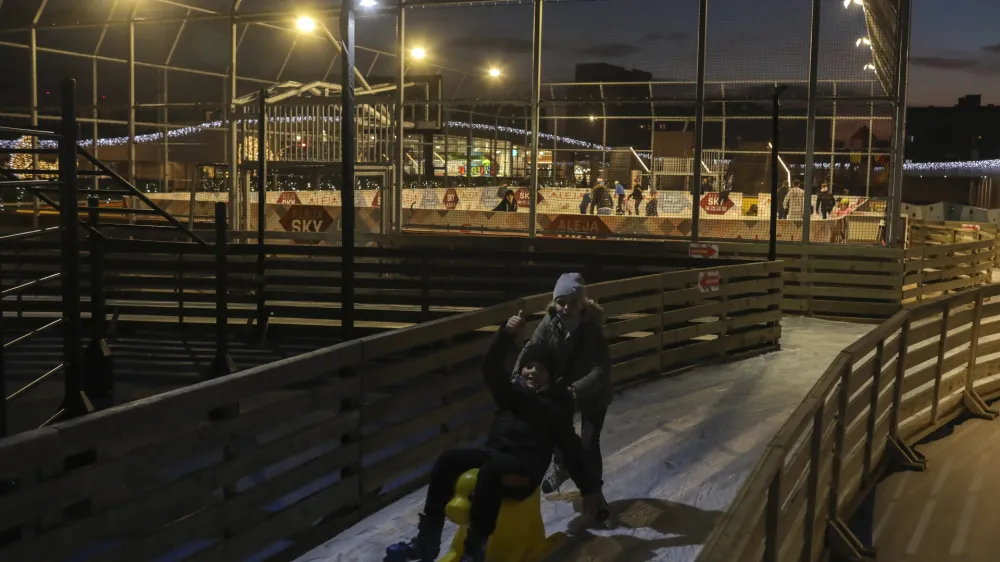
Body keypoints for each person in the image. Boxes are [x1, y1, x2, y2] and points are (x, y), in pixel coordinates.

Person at [385, 312, 604, 562]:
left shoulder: (555, 407)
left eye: (540, 369)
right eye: (528, 366)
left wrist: (589, 488)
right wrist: (506, 334)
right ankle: (427, 540)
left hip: (525, 468)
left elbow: (572, 449)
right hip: (495, 455)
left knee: (490, 471)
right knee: (448, 460)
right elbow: (490, 366)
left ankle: (475, 549)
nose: (532, 372)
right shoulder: (509, 394)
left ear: (550, 377)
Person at [514, 273, 612, 496]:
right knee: (557, 428)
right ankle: (562, 467)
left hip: (594, 394)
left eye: (573, 303)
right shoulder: (549, 323)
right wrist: (516, 377)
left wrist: (577, 389)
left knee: (589, 441)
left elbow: (601, 370)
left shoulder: (592, 330)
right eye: (561, 302)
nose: (566, 308)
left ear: (582, 304)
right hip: (564, 390)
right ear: (554, 302)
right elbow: (531, 349)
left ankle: (594, 491)